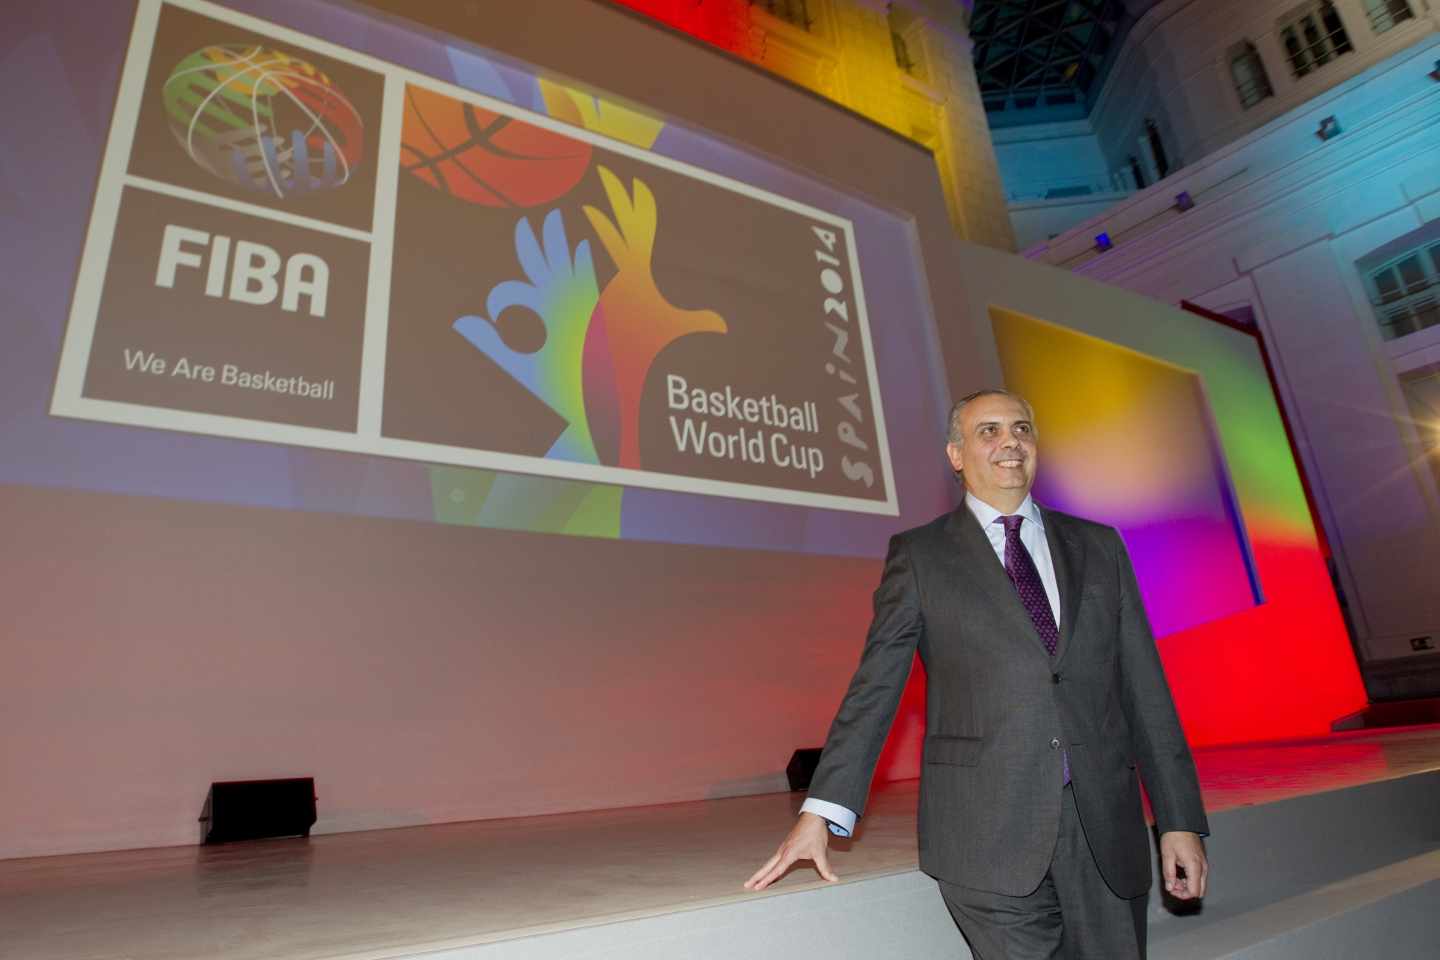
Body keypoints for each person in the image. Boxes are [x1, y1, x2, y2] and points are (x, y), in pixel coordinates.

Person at [745, 390, 1209, 959]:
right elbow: (877, 687)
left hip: (1103, 831)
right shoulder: (920, 557)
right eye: (988, 431)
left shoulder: (1100, 546)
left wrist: (1178, 820)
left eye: (1021, 429)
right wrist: (823, 809)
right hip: (983, 833)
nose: (1010, 441)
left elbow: (1145, 688)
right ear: (956, 455)